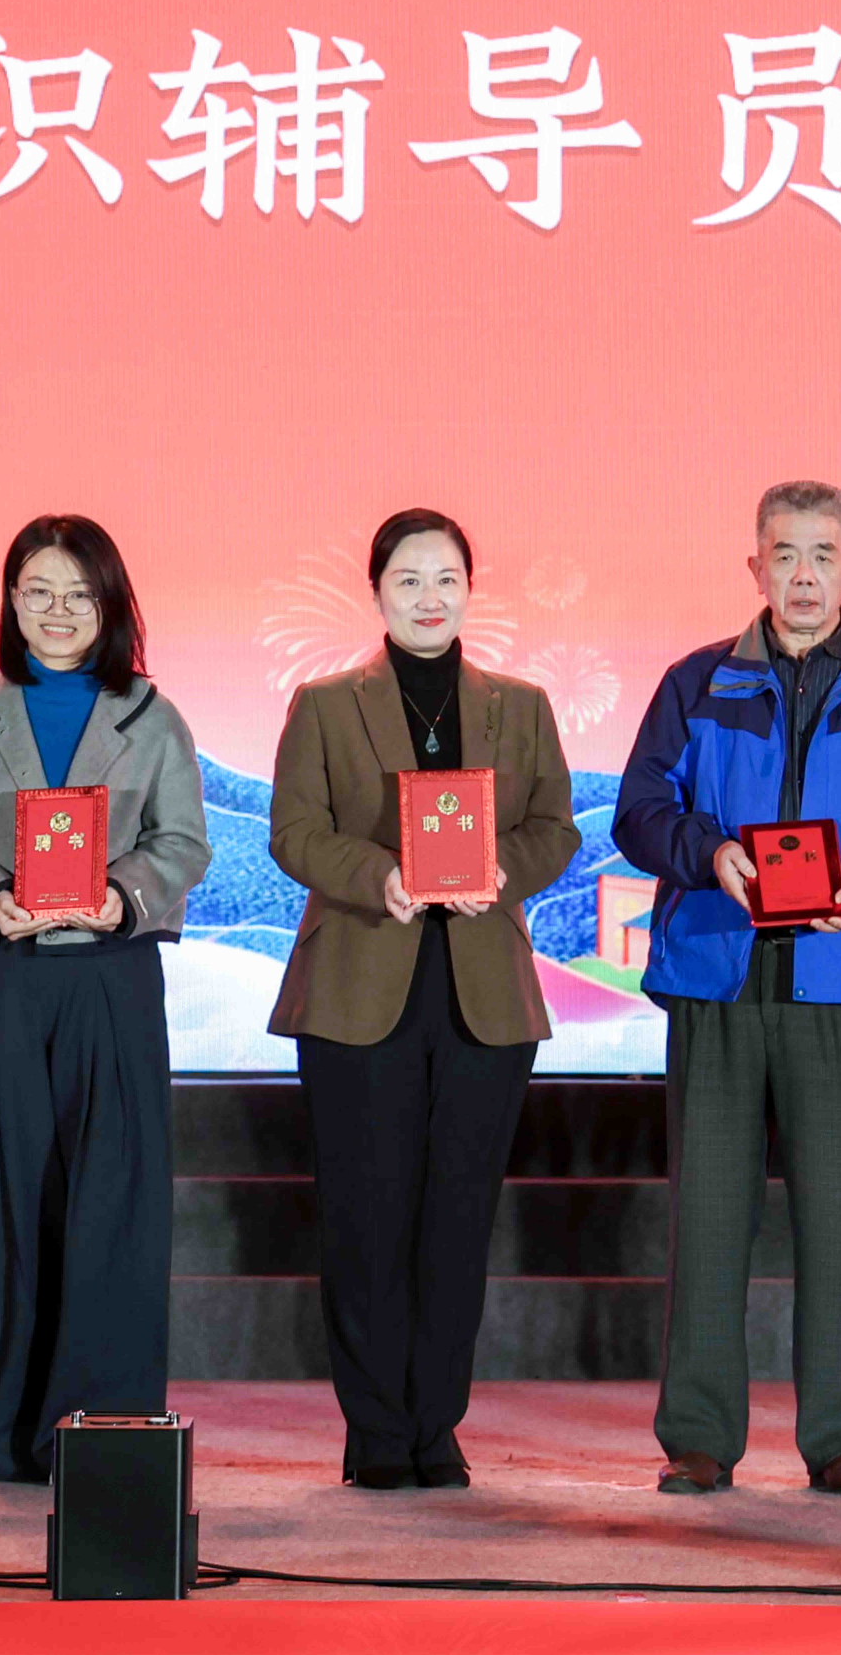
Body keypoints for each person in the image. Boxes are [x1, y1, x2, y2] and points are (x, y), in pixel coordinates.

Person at [613, 479, 841, 1496]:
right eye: (784, 554)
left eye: (821, 554)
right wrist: (707, 853)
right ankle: (697, 1437)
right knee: (708, 1219)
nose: (803, 574)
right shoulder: (697, 682)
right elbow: (639, 810)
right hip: (717, 980)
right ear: (754, 566)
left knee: (840, 1219)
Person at [268, 510, 581, 1489]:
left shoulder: (520, 706)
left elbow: (556, 827)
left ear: (470, 590)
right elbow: (294, 832)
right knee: (365, 1216)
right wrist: (381, 876)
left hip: (484, 996)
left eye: (446, 578)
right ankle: (374, 1428)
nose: (429, 597)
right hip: (359, 985)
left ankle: (435, 1424)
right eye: (408, 579)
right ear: (376, 591)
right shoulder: (325, 704)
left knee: (457, 1216)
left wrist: (498, 869)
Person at [0, 515, 210, 1484]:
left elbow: (183, 841)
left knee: (116, 1199)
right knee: (14, 1195)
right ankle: (6, 1434)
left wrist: (125, 897)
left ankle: (104, 1431)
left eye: (79, 592)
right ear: (10, 601)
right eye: (38, 591)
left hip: (114, 973)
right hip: (9, 974)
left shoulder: (152, 716)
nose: (59, 610)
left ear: (110, 604)